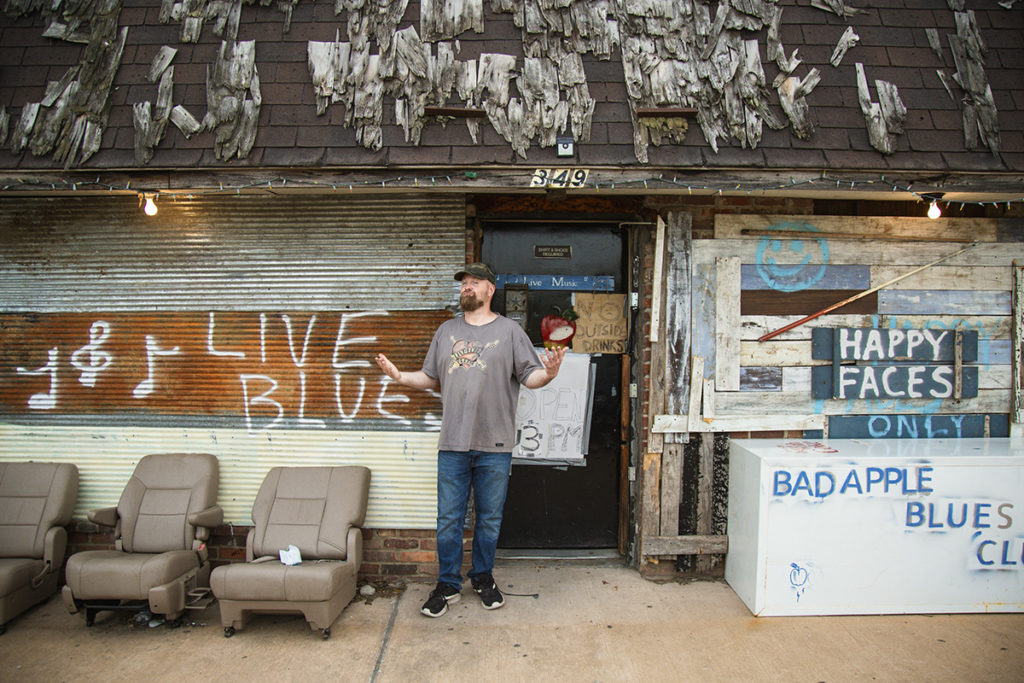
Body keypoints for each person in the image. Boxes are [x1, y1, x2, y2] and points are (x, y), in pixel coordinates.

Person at [375, 262, 566, 617]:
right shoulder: (446, 331)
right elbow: (431, 378)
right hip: (452, 445)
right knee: (448, 520)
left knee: (489, 520)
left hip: (495, 445)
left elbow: (530, 377)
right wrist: (400, 376)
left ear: (490, 289)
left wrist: (550, 375)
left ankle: (482, 577)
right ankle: (447, 584)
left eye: (474, 283)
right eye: (464, 283)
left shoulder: (510, 332)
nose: (466, 287)